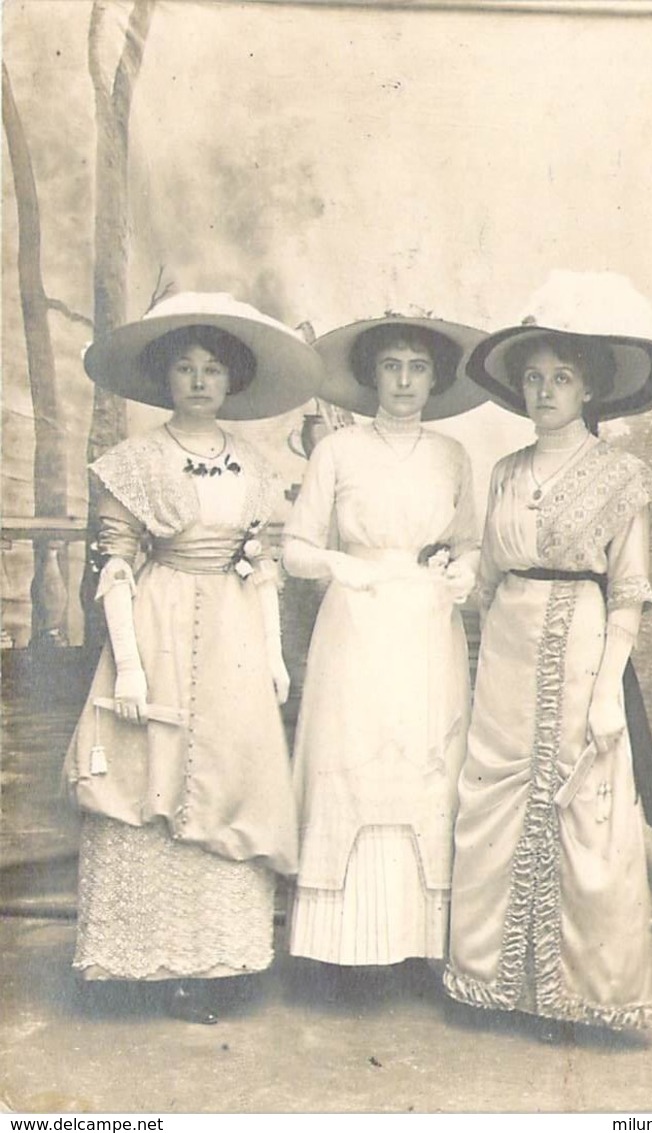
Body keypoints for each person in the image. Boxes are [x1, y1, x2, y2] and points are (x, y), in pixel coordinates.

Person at [63, 291, 323, 1023]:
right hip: (158, 617)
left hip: (236, 632)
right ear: (165, 377)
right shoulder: (135, 462)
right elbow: (116, 564)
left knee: (231, 776)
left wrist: (273, 655)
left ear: (232, 379)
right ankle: (150, 961)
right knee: (151, 773)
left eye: (213, 368)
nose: (200, 380)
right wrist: (132, 662)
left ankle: (217, 960)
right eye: (185, 367)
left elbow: (262, 565)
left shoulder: (254, 463)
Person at [443, 271, 652, 1039]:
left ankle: (579, 995)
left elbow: (629, 590)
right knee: (495, 801)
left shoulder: (621, 477)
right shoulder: (506, 472)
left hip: (581, 647)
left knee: (584, 806)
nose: (545, 391)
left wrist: (609, 686)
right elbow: (481, 583)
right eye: (534, 379)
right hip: (506, 653)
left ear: (589, 391)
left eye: (562, 379)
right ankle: (492, 980)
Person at [282, 313, 489, 979]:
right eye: (392, 365)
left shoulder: (451, 455)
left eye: (417, 366)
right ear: (371, 374)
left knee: (427, 755)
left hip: (428, 622)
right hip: (357, 619)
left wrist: (462, 570)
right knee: (355, 754)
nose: (403, 380)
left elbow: (470, 542)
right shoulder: (337, 452)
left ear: (434, 377)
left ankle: (419, 944)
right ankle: (341, 948)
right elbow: (295, 548)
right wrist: (339, 566)